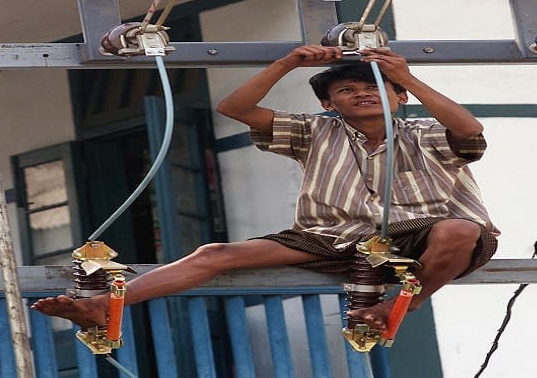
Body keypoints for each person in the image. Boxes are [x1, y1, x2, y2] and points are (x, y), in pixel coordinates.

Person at [32, 45, 498, 334]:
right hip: (335, 237)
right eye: (346, 90)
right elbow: (234, 106)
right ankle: (101, 306)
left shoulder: (424, 132)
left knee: (458, 229)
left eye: (375, 86)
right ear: (327, 104)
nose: (361, 93)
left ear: (401, 98)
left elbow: (468, 127)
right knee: (215, 254)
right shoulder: (316, 132)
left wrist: (407, 74)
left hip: (424, 236)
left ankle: (403, 304)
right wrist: (287, 62)